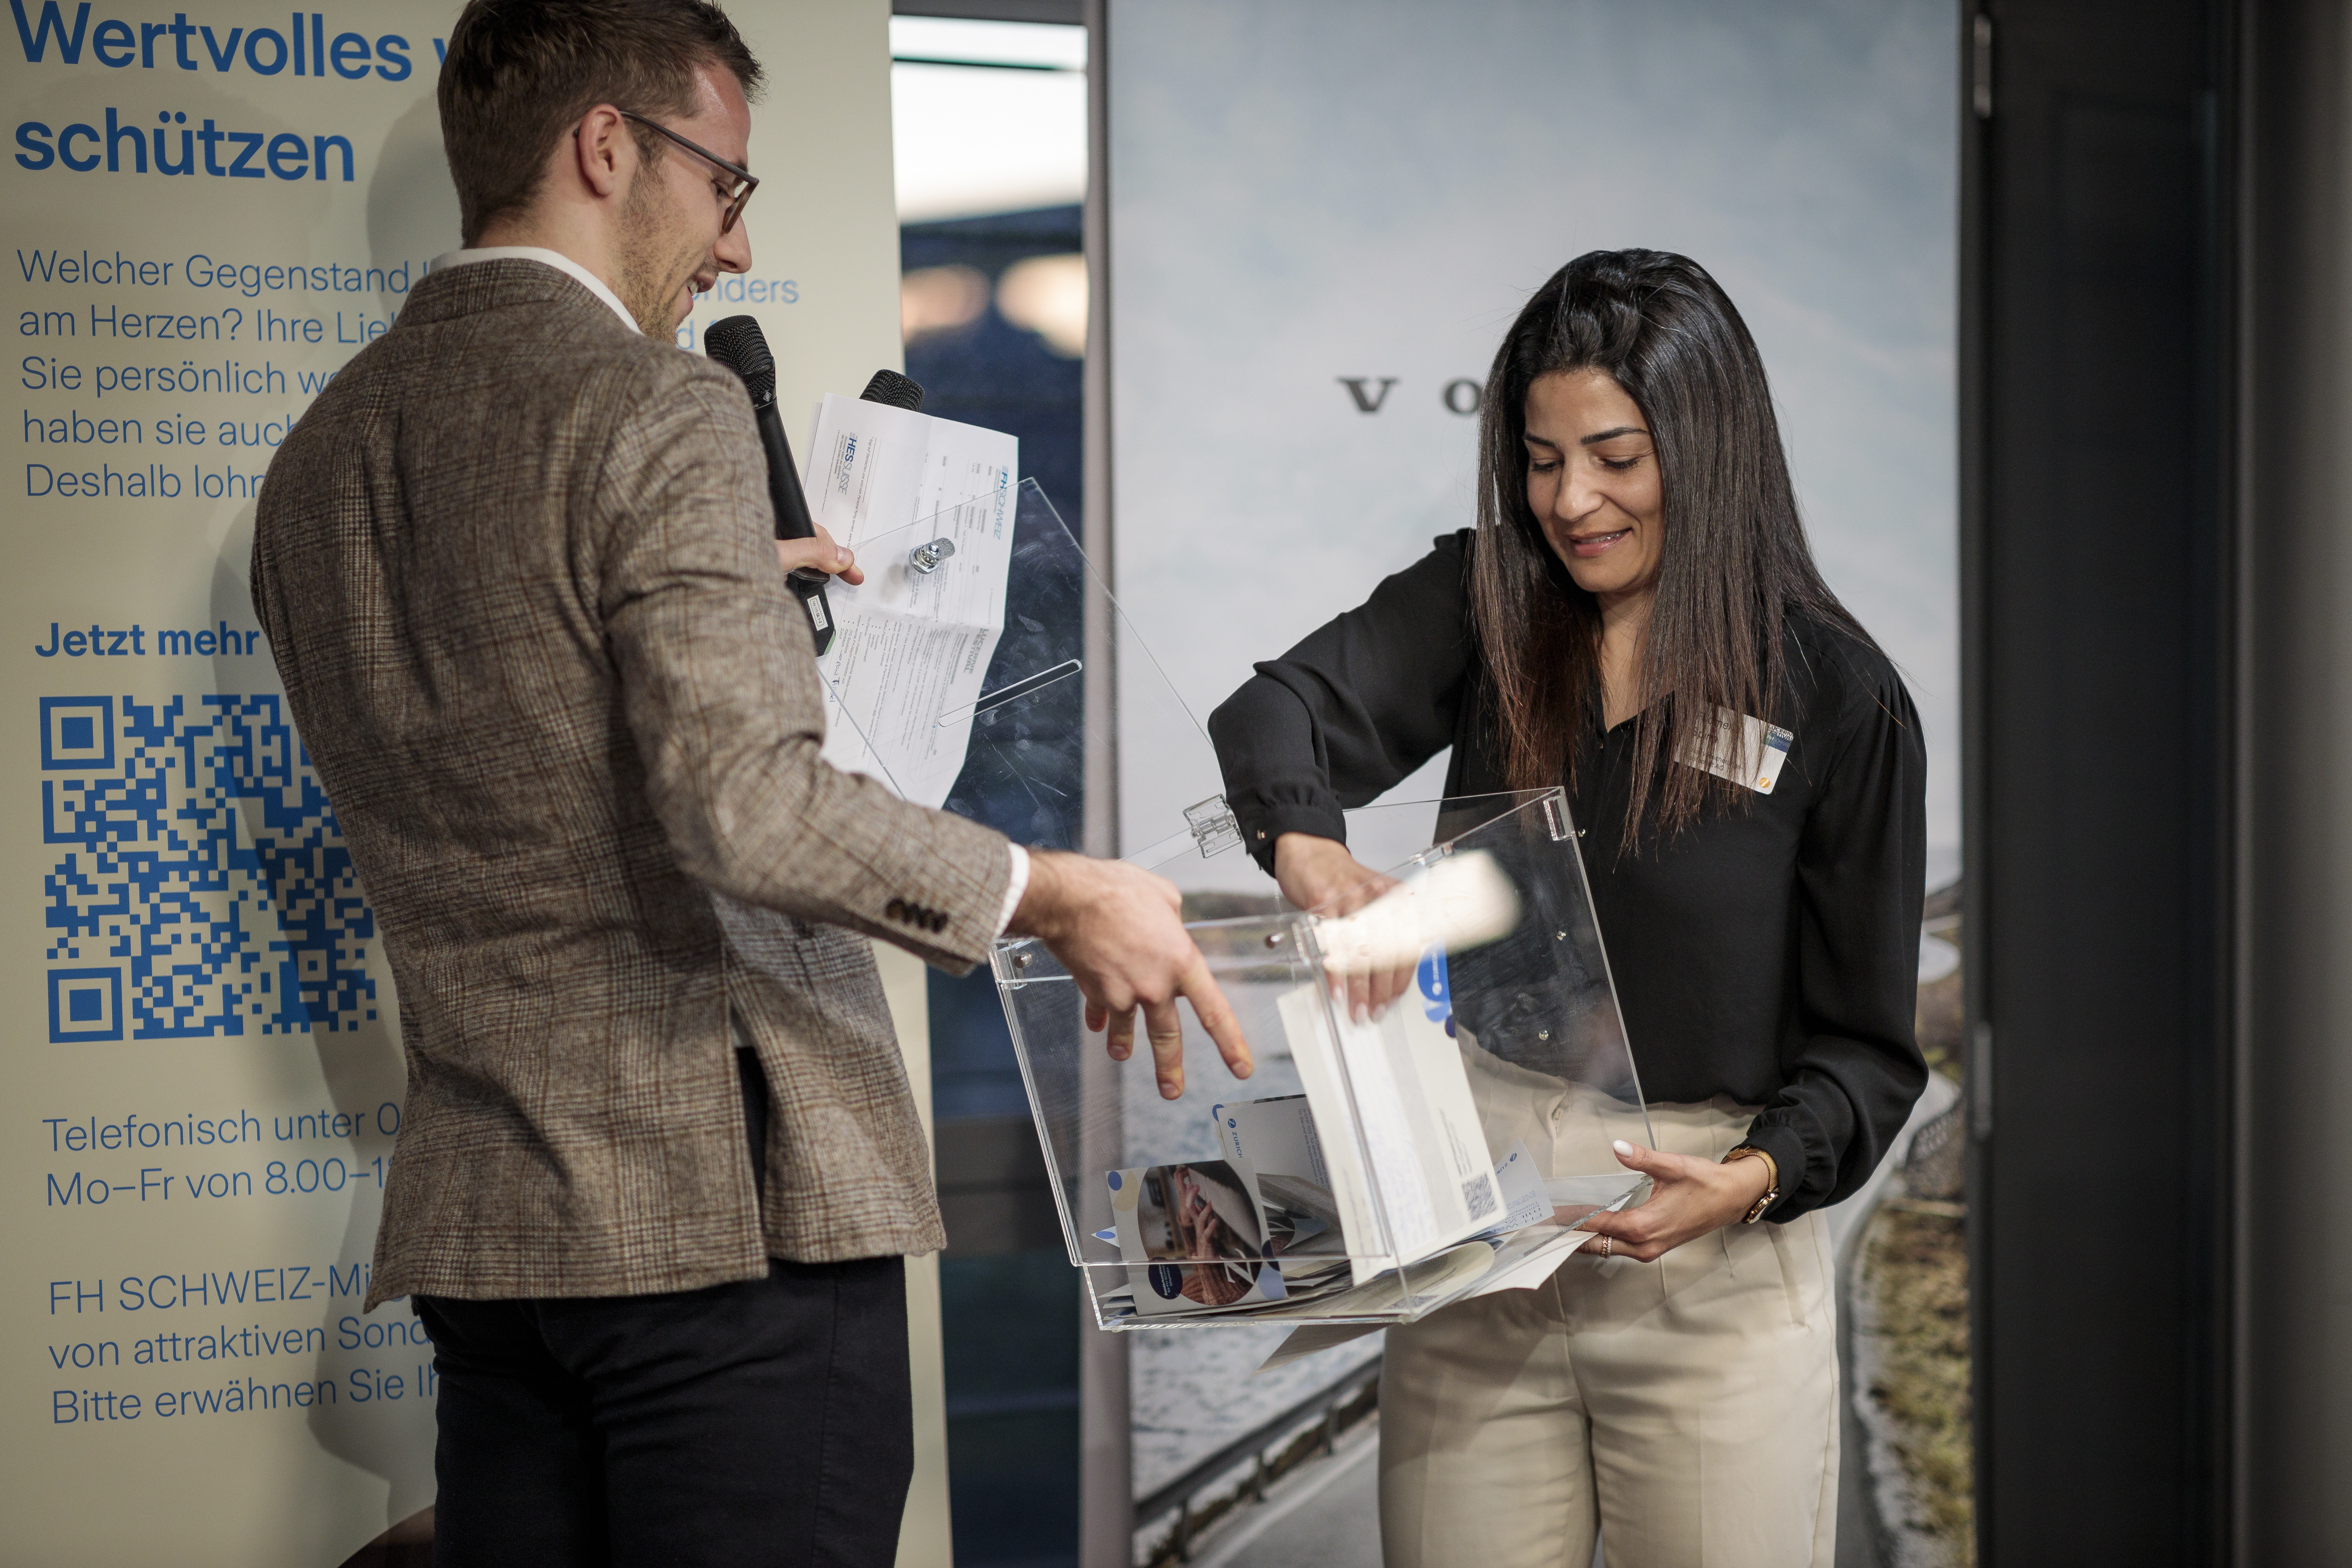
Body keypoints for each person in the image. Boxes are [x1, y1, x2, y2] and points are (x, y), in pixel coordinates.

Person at [249, 3, 1248, 1562]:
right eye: (726, 186)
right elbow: (747, 811)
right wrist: (1051, 891)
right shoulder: (659, 404)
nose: (728, 246)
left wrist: (727, 593)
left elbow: (512, 720)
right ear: (603, 147)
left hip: (497, 1238)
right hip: (728, 1230)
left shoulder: (321, 457)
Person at [1207, 249, 1927, 1567]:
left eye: (1614, 456)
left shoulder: (1839, 698)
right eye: (1540, 460)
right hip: (1477, 1243)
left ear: (1709, 451)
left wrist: (1753, 1177)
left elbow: (1869, 1057)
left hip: (1703, 1271)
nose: (1572, 501)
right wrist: (1307, 851)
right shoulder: (1487, 603)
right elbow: (1275, 710)